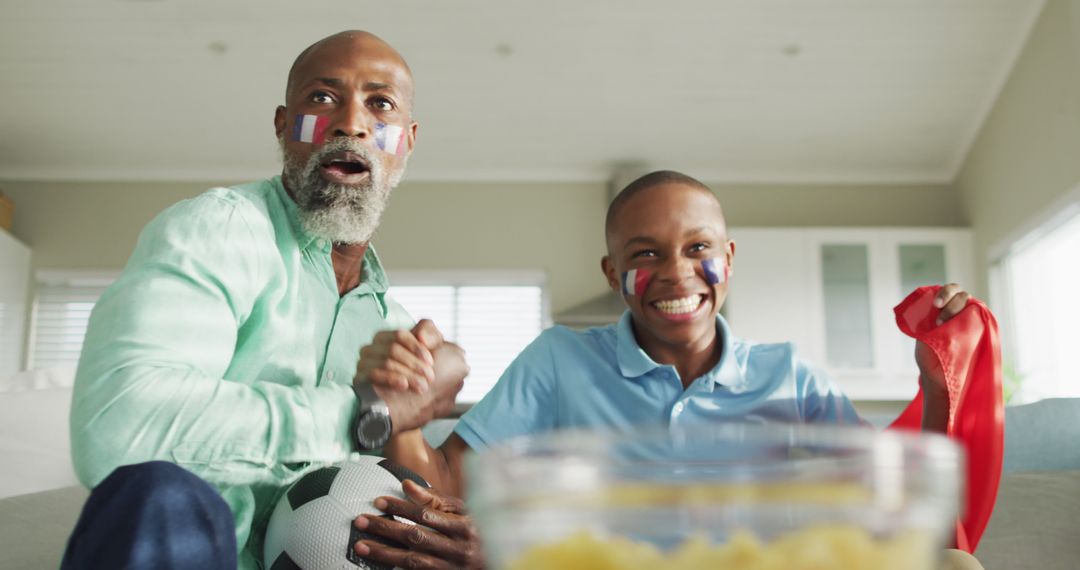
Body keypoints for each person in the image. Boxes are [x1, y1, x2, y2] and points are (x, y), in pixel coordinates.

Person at [358, 170, 983, 570]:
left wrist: (935, 381)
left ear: (728, 260)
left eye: (698, 249)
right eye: (646, 254)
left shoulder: (791, 375)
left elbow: (896, 518)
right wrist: (405, 410)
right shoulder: (559, 362)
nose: (677, 273)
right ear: (613, 274)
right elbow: (443, 485)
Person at [64, 30, 479, 570]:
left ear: (407, 140)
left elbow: (399, 490)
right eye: (323, 98)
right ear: (285, 126)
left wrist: (416, 413)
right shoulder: (219, 230)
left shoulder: (391, 325)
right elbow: (116, 428)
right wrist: (361, 412)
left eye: (380, 105)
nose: (351, 123)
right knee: (158, 491)